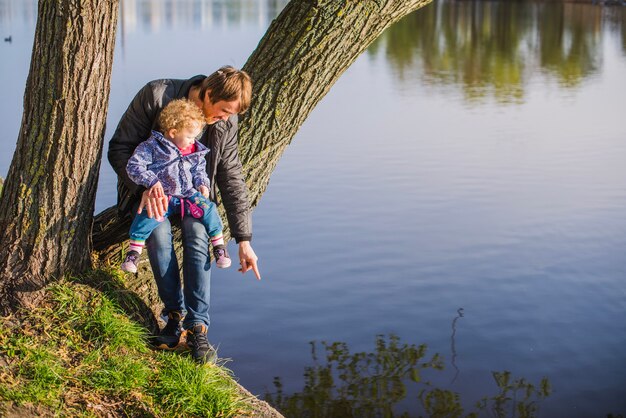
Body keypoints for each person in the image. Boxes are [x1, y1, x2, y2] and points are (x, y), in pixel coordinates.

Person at [108, 66, 261, 363]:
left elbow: (231, 176)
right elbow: (120, 149)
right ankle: (174, 317)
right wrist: (144, 188)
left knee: (197, 234)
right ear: (207, 93)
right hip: (151, 194)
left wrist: (244, 239)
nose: (226, 119)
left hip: (191, 196)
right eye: (222, 111)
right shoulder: (156, 95)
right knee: (160, 235)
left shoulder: (227, 123)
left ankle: (197, 327)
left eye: (231, 114)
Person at [120, 99, 232, 274]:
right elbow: (133, 166)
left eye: (195, 137)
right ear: (173, 132)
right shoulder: (152, 147)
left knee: (209, 209)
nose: (192, 141)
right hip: (163, 195)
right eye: (189, 136)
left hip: (188, 195)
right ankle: (134, 252)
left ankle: (219, 246)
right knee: (147, 214)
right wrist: (151, 181)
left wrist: (203, 184)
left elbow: (199, 170)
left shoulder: (195, 150)